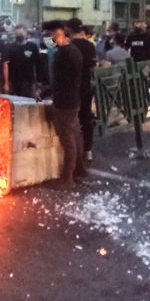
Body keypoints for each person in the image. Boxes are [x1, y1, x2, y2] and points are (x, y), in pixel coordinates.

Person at [44, 20, 87, 187]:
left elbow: (60, 81)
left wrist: (47, 93)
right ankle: (80, 170)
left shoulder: (64, 54)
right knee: (75, 135)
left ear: (57, 34)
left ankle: (67, 178)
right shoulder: (72, 50)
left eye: (49, 35)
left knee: (68, 140)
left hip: (64, 102)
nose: (47, 39)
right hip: (72, 99)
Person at [66, 18, 97, 162]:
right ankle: (88, 150)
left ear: (69, 30)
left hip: (71, 87)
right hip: (86, 85)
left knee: (71, 120)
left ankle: (74, 152)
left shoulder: (69, 46)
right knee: (86, 117)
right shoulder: (90, 46)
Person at [7, 24, 40, 98]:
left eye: (21, 33)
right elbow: (8, 65)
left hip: (28, 81)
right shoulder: (11, 47)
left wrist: (39, 81)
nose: (20, 35)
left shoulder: (32, 46)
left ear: (26, 33)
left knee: (27, 101)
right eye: (18, 33)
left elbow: (38, 64)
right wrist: (8, 81)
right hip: (14, 81)